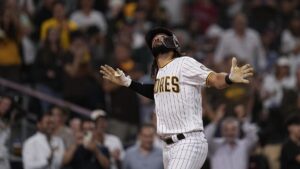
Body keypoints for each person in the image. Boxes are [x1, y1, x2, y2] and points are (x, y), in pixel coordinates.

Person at [100, 27, 254, 169]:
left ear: (174, 43)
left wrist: (229, 78)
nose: (157, 39)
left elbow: (214, 79)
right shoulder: (160, 73)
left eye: (162, 37)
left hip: (188, 140)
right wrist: (127, 82)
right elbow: (155, 92)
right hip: (169, 146)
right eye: (154, 39)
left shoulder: (184, 63)